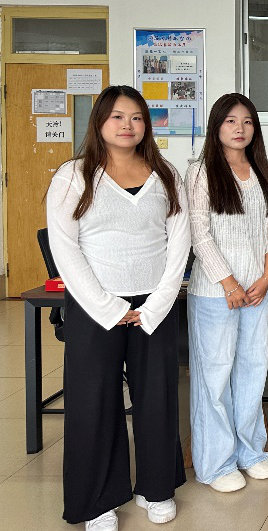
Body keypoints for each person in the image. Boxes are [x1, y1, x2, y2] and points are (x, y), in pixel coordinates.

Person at [46, 85, 189, 530]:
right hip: (95, 308)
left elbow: (179, 242)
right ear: (100, 123)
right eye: (118, 117)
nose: (128, 125)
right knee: (93, 401)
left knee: (157, 397)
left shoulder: (165, 173)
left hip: (154, 306)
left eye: (137, 117)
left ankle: (156, 487)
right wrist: (108, 307)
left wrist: (157, 303)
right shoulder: (73, 176)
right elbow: (65, 249)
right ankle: (98, 501)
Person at [186, 93, 268, 493]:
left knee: (253, 371)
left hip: (257, 290)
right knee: (214, 377)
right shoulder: (201, 171)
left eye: (247, 121)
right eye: (230, 121)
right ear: (216, 126)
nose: (239, 129)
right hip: (215, 292)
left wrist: (267, 276)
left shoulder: (264, 170)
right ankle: (216, 463)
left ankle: (250, 452)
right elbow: (199, 234)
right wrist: (229, 283)